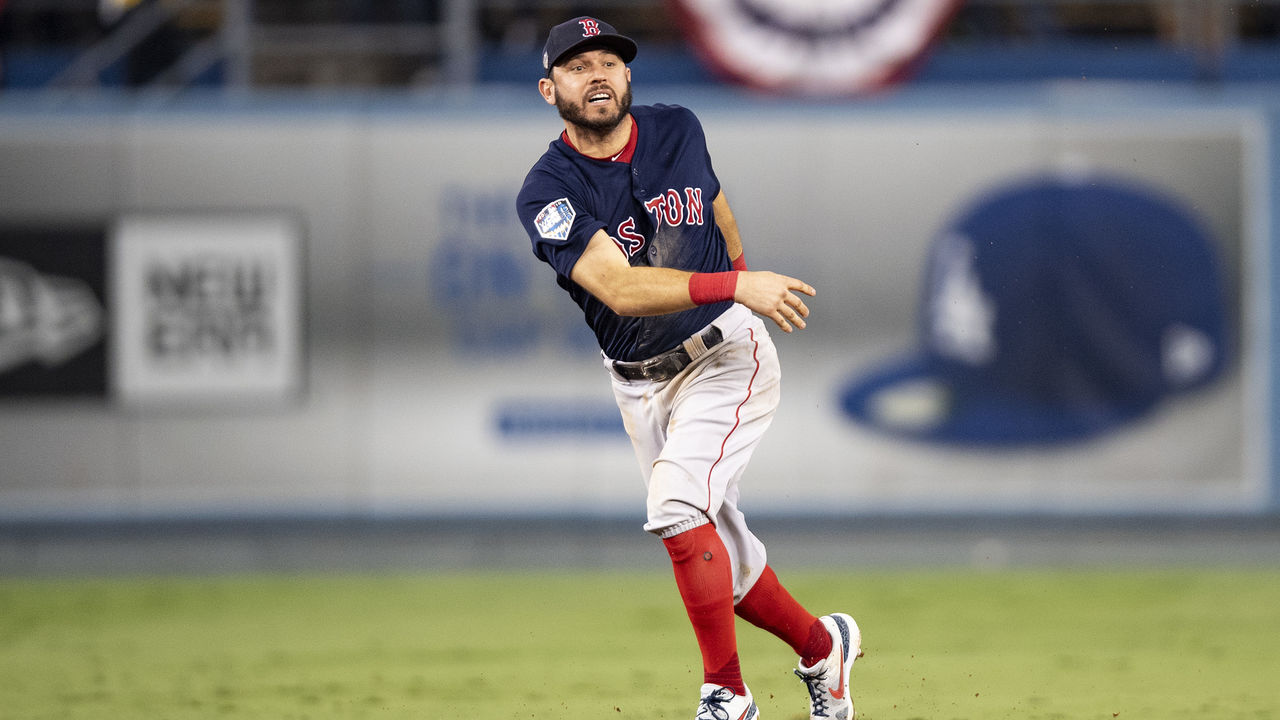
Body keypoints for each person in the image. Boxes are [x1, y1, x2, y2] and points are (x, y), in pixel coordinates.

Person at [515, 17, 861, 720]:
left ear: (629, 77)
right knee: (717, 559)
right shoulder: (548, 190)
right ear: (550, 89)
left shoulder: (678, 128)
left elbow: (717, 207)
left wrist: (736, 287)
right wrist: (738, 284)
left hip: (724, 356)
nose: (599, 74)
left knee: (676, 508)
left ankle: (726, 694)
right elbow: (619, 289)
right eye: (579, 67)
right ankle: (823, 647)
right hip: (638, 380)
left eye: (610, 61)